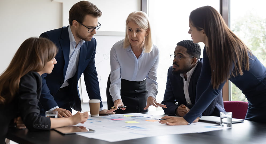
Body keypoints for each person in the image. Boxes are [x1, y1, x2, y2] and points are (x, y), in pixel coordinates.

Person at [160, 6, 266, 125]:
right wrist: (196, 114)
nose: (189, 32)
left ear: (203, 30)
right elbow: (203, 82)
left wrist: (187, 119)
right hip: (255, 100)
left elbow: (214, 89)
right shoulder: (209, 49)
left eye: (191, 28)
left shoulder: (228, 49)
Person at [0, 37, 89, 144]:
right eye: (52, 58)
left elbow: (29, 118)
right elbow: (34, 122)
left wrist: (23, 119)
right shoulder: (30, 78)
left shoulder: (17, 77)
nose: (55, 62)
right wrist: (72, 120)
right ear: (39, 59)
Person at [39, 1, 113, 117]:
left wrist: (98, 106)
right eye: (90, 28)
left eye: (96, 27)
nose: (94, 32)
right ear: (75, 23)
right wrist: (53, 107)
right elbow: (40, 75)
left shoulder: (91, 43)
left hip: (66, 98)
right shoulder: (50, 38)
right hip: (43, 98)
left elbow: (90, 74)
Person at [106, 11, 166, 113]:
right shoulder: (117, 49)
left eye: (138, 30)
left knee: (141, 124)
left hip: (141, 90)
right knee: (117, 124)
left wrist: (151, 96)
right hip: (120, 89)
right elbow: (115, 81)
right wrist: (117, 99)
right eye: (130, 30)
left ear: (146, 32)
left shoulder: (154, 51)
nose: (133, 35)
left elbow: (152, 80)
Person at [162, 40, 224, 117]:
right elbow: (166, 103)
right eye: (174, 55)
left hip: (212, 120)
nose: (174, 60)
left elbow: (207, 109)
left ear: (194, 60)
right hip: (186, 121)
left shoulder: (206, 71)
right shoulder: (172, 72)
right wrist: (177, 110)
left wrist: (188, 110)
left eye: (180, 56)